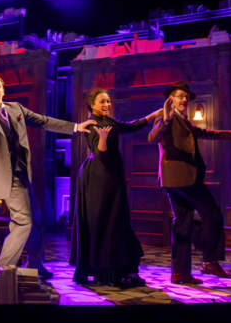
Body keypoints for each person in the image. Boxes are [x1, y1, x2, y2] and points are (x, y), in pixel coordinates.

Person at [0, 72, 95, 280]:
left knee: (34, 219)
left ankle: (34, 264)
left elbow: (43, 121)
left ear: (3, 90)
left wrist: (75, 127)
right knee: (24, 221)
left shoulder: (15, 108)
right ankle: (0, 271)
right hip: (7, 179)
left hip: (25, 175)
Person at [147, 81, 231, 285]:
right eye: (180, 96)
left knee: (183, 223)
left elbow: (205, 133)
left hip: (176, 180)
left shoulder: (184, 120)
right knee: (212, 214)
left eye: (186, 97)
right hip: (181, 178)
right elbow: (152, 137)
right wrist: (165, 120)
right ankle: (210, 260)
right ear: (171, 99)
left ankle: (179, 273)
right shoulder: (164, 116)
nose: (185, 99)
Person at [69, 88, 162, 287]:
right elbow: (100, 153)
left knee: (117, 220)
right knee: (103, 220)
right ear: (92, 105)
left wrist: (154, 115)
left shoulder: (110, 122)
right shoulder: (92, 123)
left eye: (108, 101)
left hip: (112, 174)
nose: (107, 105)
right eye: (102, 102)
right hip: (98, 176)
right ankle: (103, 270)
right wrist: (102, 138)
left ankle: (122, 268)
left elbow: (130, 126)